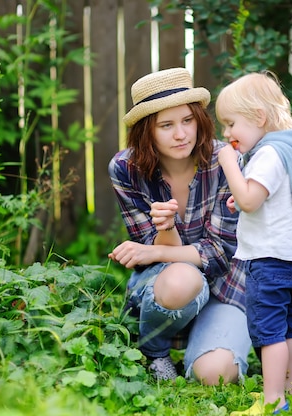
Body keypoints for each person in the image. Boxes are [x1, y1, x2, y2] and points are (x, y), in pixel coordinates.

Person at [107, 67, 251, 385]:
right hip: (169, 283)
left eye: (187, 120)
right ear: (147, 131)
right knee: (182, 279)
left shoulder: (223, 160)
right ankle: (154, 353)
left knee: (215, 375)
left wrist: (150, 250)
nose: (181, 134)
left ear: (198, 119)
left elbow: (221, 252)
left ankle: (203, 344)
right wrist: (166, 228)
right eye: (166, 125)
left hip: (226, 287)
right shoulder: (125, 169)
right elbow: (161, 259)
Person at [215, 72, 292, 415]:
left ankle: (274, 401)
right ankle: (289, 392)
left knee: (269, 332)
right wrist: (242, 197)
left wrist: (230, 165)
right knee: (289, 326)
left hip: (270, 262)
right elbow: (266, 198)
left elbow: (249, 200)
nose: (227, 134)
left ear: (259, 117)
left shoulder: (268, 155)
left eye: (231, 124)